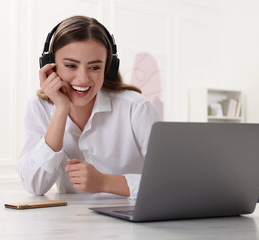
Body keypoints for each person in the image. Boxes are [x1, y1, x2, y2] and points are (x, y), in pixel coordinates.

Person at [16, 15, 161, 198]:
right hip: (70, 223)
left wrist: (104, 182)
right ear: (50, 66)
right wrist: (61, 110)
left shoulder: (136, 108)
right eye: (70, 65)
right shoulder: (39, 107)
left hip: (131, 221)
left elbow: (168, 182)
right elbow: (34, 185)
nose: (83, 79)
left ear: (108, 68)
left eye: (94, 68)